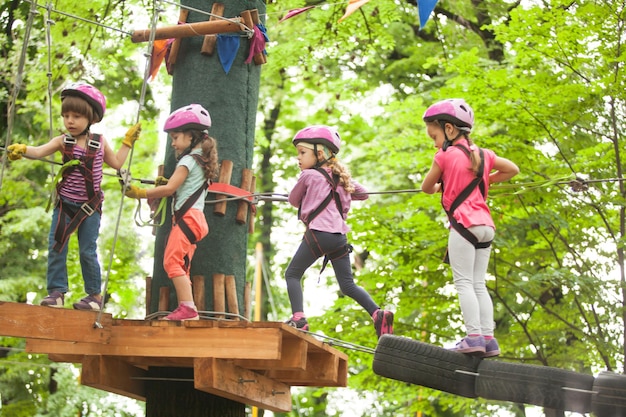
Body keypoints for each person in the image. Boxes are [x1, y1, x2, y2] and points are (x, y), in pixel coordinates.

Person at [6, 82, 141, 311]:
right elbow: (38, 152)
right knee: (57, 246)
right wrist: (23, 149)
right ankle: (57, 293)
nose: (70, 121)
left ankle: (94, 297)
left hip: (90, 208)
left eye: (76, 116)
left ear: (91, 119)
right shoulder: (62, 141)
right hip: (65, 206)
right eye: (66, 115)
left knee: (88, 250)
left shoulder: (99, 142)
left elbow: (117, 163)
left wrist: (127, 143)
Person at [421, 98, 519, 357]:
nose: (434, 142)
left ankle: (473, 336)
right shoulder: (485, 155)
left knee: (463, 283)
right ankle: (489, 339)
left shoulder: (443, 155)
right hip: (486, 226)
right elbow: (513, 169)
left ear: (449, 130)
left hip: (463, 225)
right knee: (478, 284)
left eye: (434, 135)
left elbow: (426, 188)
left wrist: (443, 184)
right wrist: (486, 179)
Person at [284, 125, 394, 338]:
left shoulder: (308, 176)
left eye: (302, 153)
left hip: (318, 234)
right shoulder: (341, 179)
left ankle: (299, 318)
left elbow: (292, 200)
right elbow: (363, 194)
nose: (298, 158)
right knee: (347, 285)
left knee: (292, 274)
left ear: (320, 153)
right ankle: (377, 313)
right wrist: (341, 184)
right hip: (339, 238)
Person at [124, 104, 218, 321]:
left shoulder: (187, 161)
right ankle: (187, 307)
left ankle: (188, 309)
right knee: (181, 265)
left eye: (176, 137)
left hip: (188, 218)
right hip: (194, 219)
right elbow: (179, 186)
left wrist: (139, 192)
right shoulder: (199, 159)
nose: (173, 143)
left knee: (171, 262)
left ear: (191, 136)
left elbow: (169, 189)